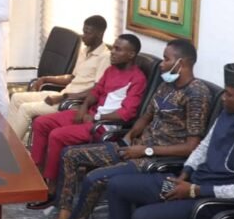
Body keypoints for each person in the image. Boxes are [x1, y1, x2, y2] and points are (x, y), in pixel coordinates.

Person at [44, 39, 212, 219]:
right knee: (70, 154)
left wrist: (146, 150)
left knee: (94, 178)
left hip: (154, 159)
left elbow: (191, 147)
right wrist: (129, 137)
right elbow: (146, 116)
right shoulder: (166, 86)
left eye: (166, 59)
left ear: (180, 63)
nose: (161, 64)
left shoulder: (197, 93)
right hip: (135, 147)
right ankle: (63, 217)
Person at [106, 62, 234, 219]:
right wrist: (185, 174)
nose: (223, 99)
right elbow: (203, 147)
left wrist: (195, 190)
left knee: (143, 217)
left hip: (208, 200)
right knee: (117, 185)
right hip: (188, 184)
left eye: (229, 95)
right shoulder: (228, 114)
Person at [27, 34, 146, 209]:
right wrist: (83, 107)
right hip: (90, 114)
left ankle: (53, 191)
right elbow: (95, 92)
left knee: (57, 136)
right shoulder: (111, 70)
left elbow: (126, 114)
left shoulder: (137, 79)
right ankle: (37, 176)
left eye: (118, 49)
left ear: (131, 54)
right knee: (41, 123)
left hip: (103, 127)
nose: (112, 52)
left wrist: (97, 117)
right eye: (113, 47)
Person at [7, 16, 111, 140]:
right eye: (83, 31)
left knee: (25, 109)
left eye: (87, 33)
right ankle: (15, 143)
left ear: (100, 34)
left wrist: (61, 98)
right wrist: (46, 79)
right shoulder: (84, 50)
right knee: (16, 98)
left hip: (72, 103)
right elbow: (72, 77)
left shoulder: (105, 57)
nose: (83, 36)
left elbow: (96, 90)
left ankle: (11, 147)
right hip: (63, 95)